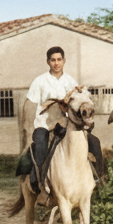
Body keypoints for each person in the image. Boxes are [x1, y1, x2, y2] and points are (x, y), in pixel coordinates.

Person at [24, 46, 103, 193]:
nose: (56, 63)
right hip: (45, 124)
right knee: (41, 144)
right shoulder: (40, 81)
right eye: (53, 60)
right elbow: (30, 104)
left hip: (67, 124)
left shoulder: (71, 81)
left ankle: (99, 180)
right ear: (48, 62)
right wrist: (29, 126)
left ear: (64, 61)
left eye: (59, 59)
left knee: (94, 142)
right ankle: (39, 181)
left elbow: (78, 103)